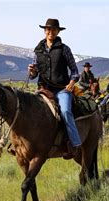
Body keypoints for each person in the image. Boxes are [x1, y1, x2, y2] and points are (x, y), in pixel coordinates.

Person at [28, 18, 81, 158]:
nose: (50, 32)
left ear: (58, 31)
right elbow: (33, 75)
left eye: (53, 29)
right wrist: (32, 72)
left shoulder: (64, 49)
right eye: (48, 29)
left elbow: (75, 71)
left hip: (62, 89)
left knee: (65, 111)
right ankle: (26, 145)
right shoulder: (38, 50)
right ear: (45, 31)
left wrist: (72, 82)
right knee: (29, 111)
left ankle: (74, 145)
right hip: (43, 89)